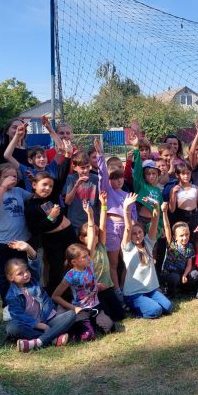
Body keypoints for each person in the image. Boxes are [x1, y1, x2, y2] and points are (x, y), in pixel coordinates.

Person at [51, 202, 116, 341]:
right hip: (80, 309)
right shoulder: (70, 276)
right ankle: (72, 330)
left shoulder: (90, 265)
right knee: (88, 336)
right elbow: (55, 296)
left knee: (109, 327)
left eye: (88, 255)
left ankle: (92, 323)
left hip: (95, 306)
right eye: (84, 257)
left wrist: (90, 215)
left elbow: (92, 239)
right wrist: (73, 308)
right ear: (74, 262)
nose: (88, 258)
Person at [4, 240, 75, 352]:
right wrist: (40, 326)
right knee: (12, 328)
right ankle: (53, 339)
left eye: (26, 270)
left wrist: (28, 248)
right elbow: (20, 316)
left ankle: (38, 342)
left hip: (48, 319)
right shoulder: (11, 296)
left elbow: (35, 264)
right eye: (20, 273)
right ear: (10, 277)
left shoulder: (33, 281)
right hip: (32, 325)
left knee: (71, 314)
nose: (26, 274)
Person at [94, 137, 136, 299]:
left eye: (120, 178)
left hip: (126, 229)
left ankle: (126, 288)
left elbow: (133, 215)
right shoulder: (107, 190)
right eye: (114, 178)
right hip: (111, 228)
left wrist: (133, 226)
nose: (118, 180)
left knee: (127, 261)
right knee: (113, 263)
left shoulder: (127, 194)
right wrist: (100, 155)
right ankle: (117, 291)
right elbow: (102, 175)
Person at [24, 172, 77, 296]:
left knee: (75, 263)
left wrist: (67, 155)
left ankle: (76, 293)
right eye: (44, 185)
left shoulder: (51, 196)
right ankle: (56, 298)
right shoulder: (31, 206)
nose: (48, 188)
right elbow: (35, 229)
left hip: (69, 234)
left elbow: (60, 178)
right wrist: (50, 217)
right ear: (34, 185)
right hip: (53, 240)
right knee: (57, 269)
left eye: (50, 186)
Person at [121, 194, 174, 318]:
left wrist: (156, 208)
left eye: (139, 232)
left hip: (150, 291)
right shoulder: (128, 247)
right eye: (134, 234)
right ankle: (131, 306)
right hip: (134, 293)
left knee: (168, 307)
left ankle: (148, 302)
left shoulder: (148, 243)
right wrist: (126, 209)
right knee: (156, 311)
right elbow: (128, 228)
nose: (138, 235)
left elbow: (154, 222)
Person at [0, 163, 32, 304]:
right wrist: (3, 187)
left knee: (23, 271)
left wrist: (33, 181)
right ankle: (7, 304)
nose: (10, 179)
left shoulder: (19, 191)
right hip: (4, 241)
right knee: (5, 273)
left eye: (13, 176)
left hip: (22, 241)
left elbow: (34, 197)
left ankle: (24, 300)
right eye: (6, 176)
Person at [77, 196, 125, 322]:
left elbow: (102, 226)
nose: (95, 237)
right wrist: (90, 215)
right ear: (82, 238)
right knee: (106, 317)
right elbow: (92, 235)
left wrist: (104, 205)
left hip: (107, 288)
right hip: (95, 292)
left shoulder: (101, 246)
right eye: (92, 235)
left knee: (120, 316)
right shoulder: (88, 252)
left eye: (97, 235)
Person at [3, 124, 69, 192]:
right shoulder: (27, 171)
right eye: (38, 157)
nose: (42, 159)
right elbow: (7, 156)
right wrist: (17, 135)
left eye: (44, 156)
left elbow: (61, 148)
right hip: (35, 202)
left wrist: (49, 128)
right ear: (30, 160)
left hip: (53, 201)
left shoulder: (51, 167)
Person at [159, 202, 195, 296]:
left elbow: (189, 265)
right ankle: (171, 291)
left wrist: (185, 275)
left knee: (194, 274)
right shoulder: (171, 243)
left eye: (187, 234)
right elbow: (167, 227)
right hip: (170, 273)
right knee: (175, 278)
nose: (185, 237)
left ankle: (185, 290)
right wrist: (164, 212)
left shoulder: (190, 247)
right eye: (181, 235)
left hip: (182, 272)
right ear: (175, 236)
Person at [62, 151, 99, 234]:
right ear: (75, 168)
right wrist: (76, 185)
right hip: (76, 223)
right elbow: (67, 201)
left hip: (92, 221)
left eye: (87, 167)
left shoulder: (96, 179)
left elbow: (99, 201)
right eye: (82, 168)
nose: (85, 170)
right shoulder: (71, 179)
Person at [168, 163, 198, 236]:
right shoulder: (174, 189)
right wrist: (174, 194)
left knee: (195, 237)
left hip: (194, 217)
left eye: (188, 173)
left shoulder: (196, 188)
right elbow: (172, 209)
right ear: (177, 175)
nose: (186, 176)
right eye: (183, 174)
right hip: (180, 217)